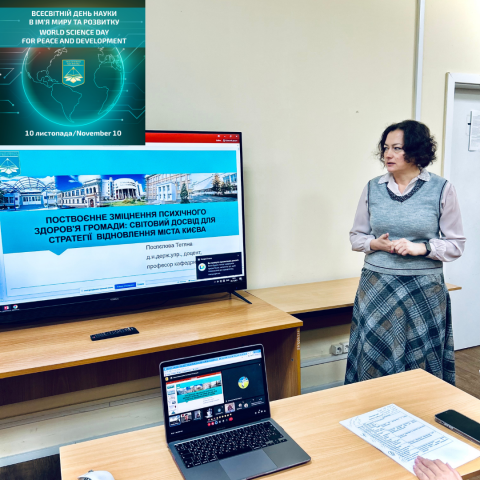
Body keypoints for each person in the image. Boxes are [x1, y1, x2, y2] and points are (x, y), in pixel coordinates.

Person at [345, 120, 465, 385]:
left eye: (397, 148)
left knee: (421, 358)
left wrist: (422, 248)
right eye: (386, 148)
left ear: (416, 151)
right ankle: (372, 407)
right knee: (374, 355)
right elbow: (356, 237)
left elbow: (456, 244)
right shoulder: (372, 187)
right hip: (377, 287)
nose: (388, 154)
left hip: (423, 289)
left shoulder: (442, 188)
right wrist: (375, 244)